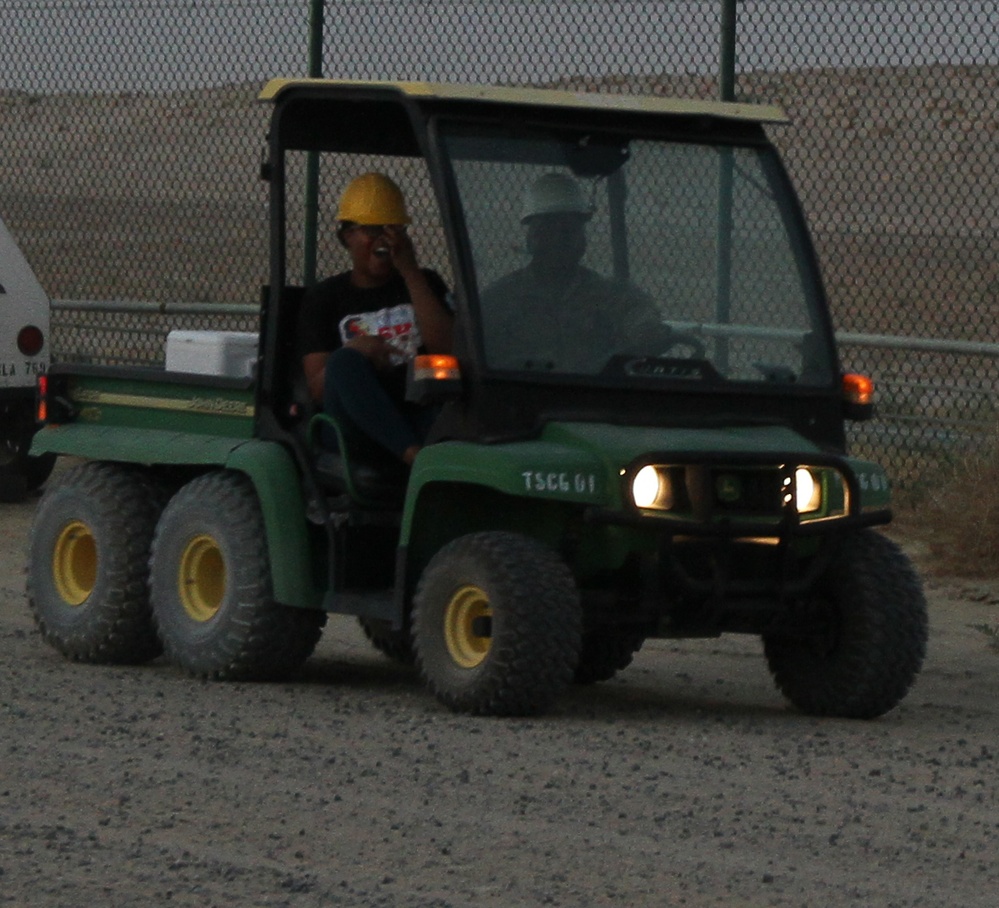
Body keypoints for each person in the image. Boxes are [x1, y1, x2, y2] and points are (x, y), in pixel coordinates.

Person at [298, 172, 453, 467]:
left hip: (419, 411)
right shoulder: (325, 298)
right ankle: (413, 456)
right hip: (357, 427)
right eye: (371, 230)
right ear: (347, 236)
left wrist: (410, 272)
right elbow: (317, 389)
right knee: (343, 362)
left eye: (392, 230)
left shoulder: (424, 283)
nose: (383, 240)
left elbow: (449, 348)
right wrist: (356, 350)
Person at [480, 172, 664, 373]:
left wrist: (642, 337)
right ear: (532, 237)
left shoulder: (610, 296)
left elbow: (645, 326)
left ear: (581, 238)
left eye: (567, 230)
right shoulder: (499, 301)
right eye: (548, 230)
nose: (558, 240)